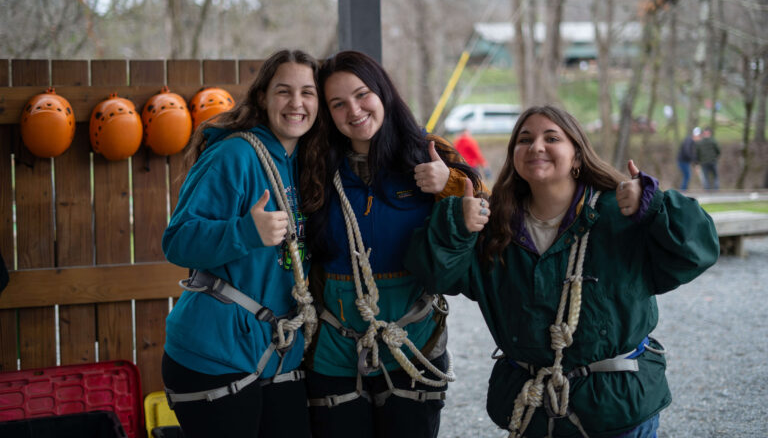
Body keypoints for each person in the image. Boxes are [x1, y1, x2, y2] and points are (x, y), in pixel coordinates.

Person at [406, 105, 719, 438]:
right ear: (514, 156)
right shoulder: (495, 227)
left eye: (551, 137)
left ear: (578, 156)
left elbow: (696, 252)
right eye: (524, 140)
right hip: (534, 412)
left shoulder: (619, 214)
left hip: (617, 408)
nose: (536, 146)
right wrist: (457, 225)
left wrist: (656, 207)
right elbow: (437, 277)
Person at [304, 50, 484, 438]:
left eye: (362, 94)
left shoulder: (431, 154)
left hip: (415, 341)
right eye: (338, 103)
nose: (353, 110)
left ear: (383, 92)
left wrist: (448, 184)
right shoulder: (314, 165)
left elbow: (489, 211)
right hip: (336, 346)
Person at [160, 49, 326, 438]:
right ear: (263, 97)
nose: (296, 103)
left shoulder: (308, 163)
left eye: (308, 92)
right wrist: (245, 232)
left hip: (277, 354)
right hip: (215, 353)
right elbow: (178, 241)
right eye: (284, 91)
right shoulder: (235, 155)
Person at [695, 127, 721, 191]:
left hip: (704, 162)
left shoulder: (700, 142)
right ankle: (716, 190)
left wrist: (697, 162)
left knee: (706, 177)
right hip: (713, 161)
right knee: (715, 176)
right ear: (709, 133)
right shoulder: (713, 141)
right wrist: (716, 157)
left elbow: (697, 153)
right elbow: (718, 151)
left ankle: (707, 191)